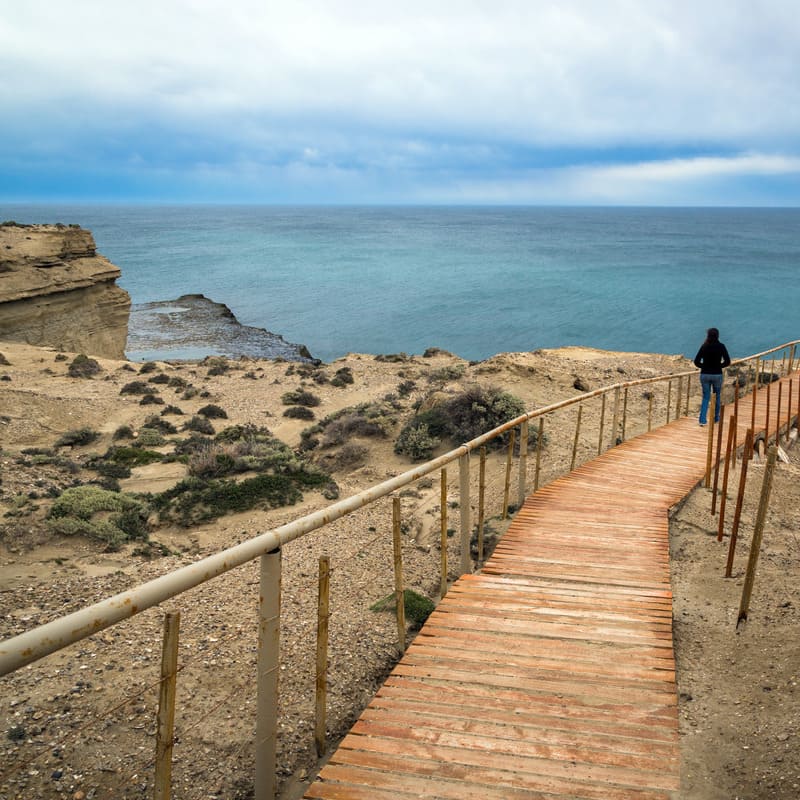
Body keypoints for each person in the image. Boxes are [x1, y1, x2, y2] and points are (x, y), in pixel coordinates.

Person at [693, 327, 731, 426]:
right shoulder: (721, 346)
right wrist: (718, 366)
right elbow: (727, 361)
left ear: (708, 335)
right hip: (717, 374)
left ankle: (702, 420)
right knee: (717, 396)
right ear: (717, 335)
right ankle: (715, 418)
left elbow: (696, 361)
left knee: (706, 397)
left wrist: (704, 366)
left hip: (705, 374)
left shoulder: (704, 346)